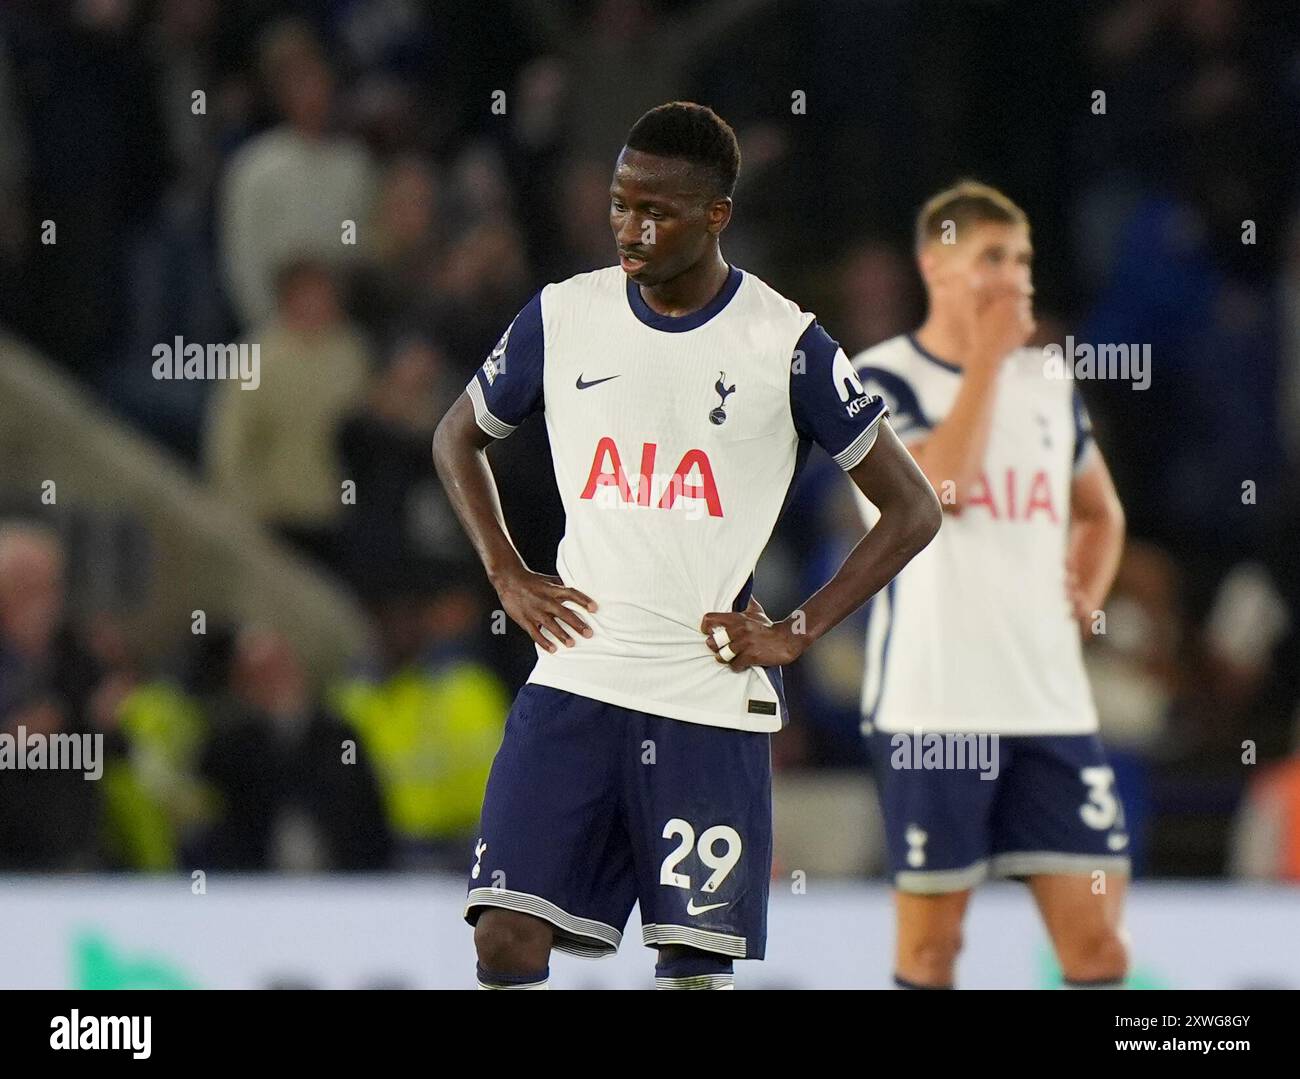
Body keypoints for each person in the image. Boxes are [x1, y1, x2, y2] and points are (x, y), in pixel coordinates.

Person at [433, 101, 941, 990]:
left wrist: (801, 627)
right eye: (621, 204)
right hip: (578, 677)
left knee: (691, 971)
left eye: (656, 210)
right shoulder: (563, 315)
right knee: (503, 939)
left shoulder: (786, 342)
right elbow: (456, 437)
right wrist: (507, 570)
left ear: (717, 216)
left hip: (706, 696)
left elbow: (912, 508)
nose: (631, 227)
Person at [852, 181, 1129, 989]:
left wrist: (1088, 592)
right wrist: (983, 361)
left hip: (1050, 705)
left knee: (1098, 950)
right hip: (935, 706)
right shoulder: (883, 377)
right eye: (992, 259)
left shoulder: (1049, 384)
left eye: (1024, 259)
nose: (1016, 278)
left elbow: (1100, 512)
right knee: (932, 953)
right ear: (935, 265)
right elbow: (939, 491)